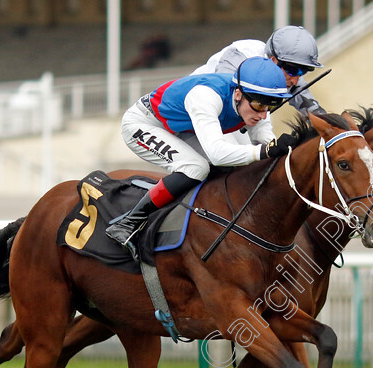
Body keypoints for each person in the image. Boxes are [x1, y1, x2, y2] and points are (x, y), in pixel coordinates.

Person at [108, 56, 295, 257]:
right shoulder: (206, 97)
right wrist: (264, 151)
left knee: (234, 166)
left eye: (270, 107)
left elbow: (265, 139)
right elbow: (217, 154)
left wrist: (280, 149)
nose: (263, 114)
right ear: (238, 94)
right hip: (144, 124)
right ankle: (127, 224)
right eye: (259, 106)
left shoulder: (250, 99)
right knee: (196, 167)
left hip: (183, 127)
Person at [192, 25, 325, 116]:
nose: (296, 81)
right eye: (293, 71)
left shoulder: (287, 72)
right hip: (190, 117)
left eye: (304, 71)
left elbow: (314, 112)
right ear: (274, 60)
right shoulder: (240, 57)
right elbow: (226, 105)